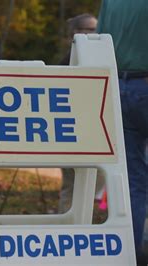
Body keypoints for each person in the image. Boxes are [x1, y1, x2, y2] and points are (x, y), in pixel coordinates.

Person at [97, 1, 148, 264]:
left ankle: (134, 250)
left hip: (118, 88)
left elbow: (98, 41)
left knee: (135, 180)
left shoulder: (112, 2)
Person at [58, 13, 105, 214]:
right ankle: (66, 229)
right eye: (87, 30)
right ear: (74, 34)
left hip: (93, 135)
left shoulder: (103, 61)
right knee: (71, 186)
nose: (90, 35)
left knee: (94, 185)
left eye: (94, 30)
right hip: (70, 135)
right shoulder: (64, 64)